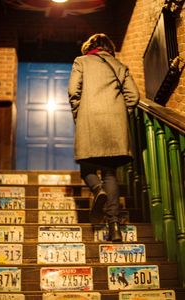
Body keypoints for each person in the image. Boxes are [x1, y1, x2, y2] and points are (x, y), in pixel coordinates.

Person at [68, 33, 139, 242]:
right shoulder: (119, 65)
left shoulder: (81, 62)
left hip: (89, 120)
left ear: (89, 47)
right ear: (109, 47)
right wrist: (118, 113)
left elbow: (73, 91)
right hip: (115, 125)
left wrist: (78, 115)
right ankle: (114, 227)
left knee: (87, 167)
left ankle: (97, 190)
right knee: (110, 174)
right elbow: (133, 97)